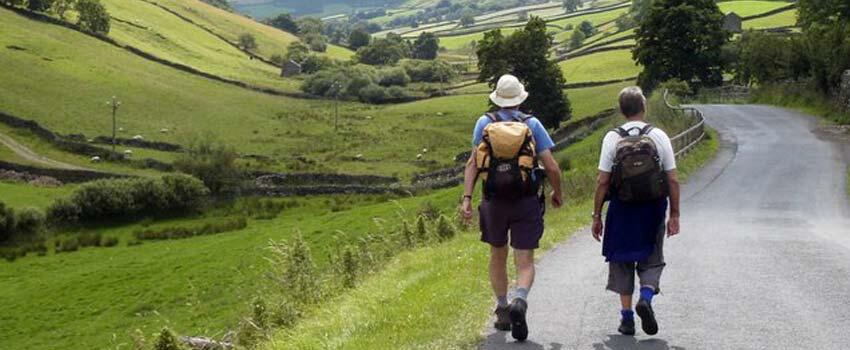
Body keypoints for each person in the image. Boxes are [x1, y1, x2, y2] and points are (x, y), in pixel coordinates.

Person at [461, 74, 563, 341]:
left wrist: (467, 198)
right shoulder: (532, 124)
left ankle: (504, 308)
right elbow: (551, 165)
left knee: (497, 253)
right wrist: (557, 193)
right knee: (525, 258)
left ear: (497, 98)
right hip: (525, 200)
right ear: (520, 97)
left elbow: (473, 163)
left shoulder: (484, 123)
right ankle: (520, 299)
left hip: (493, 201)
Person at [591, 86, 681, 336]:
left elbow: (602, 181)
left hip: (622, 207)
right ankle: (647, 296)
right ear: (644, 107)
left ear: (622, 110)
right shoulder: (659, 136)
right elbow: (672, 179)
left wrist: (597, 215)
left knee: (622, 259)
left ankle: (627, 317)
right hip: (652, 207)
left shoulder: (612, 138)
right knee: (652, 255)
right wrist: (675, 214)